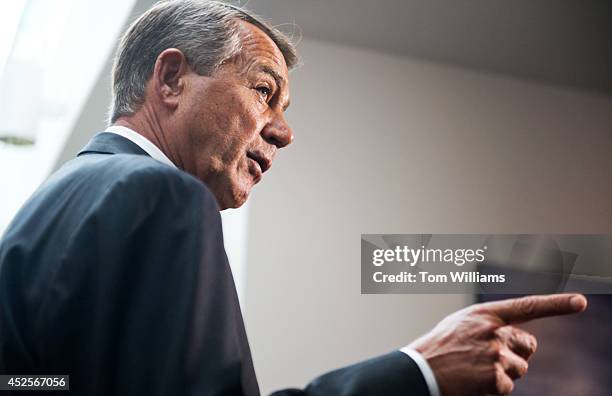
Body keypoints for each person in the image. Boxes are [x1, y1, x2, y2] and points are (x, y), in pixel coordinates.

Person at [0, 1, 587, 395]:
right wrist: (420, 371)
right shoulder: (160, 195)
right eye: (264, 91)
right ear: (171, 79)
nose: (284, 132)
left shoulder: (58, 202)